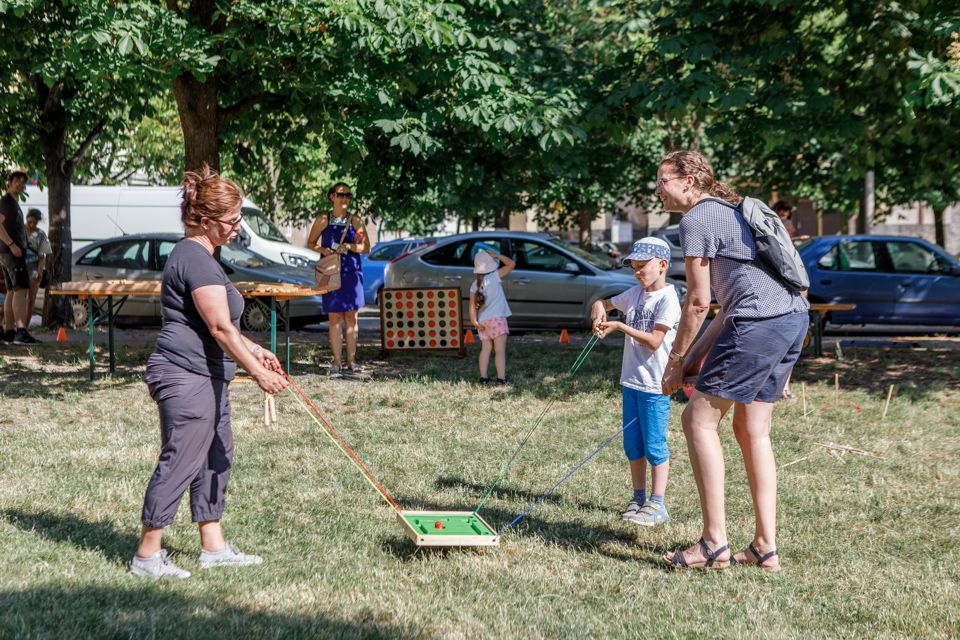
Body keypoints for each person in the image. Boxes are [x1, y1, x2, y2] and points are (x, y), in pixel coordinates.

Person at [130, 166, 289, 580]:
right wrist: (257, 373)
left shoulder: (206, 258)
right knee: (181, 460)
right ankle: (147, 556)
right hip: (185, 376)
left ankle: (213, 548)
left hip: (209, 375)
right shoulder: (194, 259)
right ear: (204, 220)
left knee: (216, 457)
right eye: (231, 221)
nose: (238, 228)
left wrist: (258, 351)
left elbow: (222, 326)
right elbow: (219, 328)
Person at [658, 150, 808, 571]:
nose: (658, 190)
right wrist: (692, 360)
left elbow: (698, 303)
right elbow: (726, 309)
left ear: (688, 181)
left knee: (697, 421)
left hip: (759, 323)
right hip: (792, 318)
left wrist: (676, 360)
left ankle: (713, 544)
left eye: (663, 181)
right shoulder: (730, 210)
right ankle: (764, 547)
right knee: (751, 429)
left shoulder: (697, 219)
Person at [591, 237, 681, 527]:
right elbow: (604, 302)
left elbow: (655, 340)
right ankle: (638, 497)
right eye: (634, 267)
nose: (638, 272)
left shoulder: (668, 299)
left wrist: (618, 325)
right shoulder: (635, 293)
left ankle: (658, 503)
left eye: (643, 266)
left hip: (655, 386)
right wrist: (598, 308)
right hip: (631, 382)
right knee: (633, 445)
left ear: (663, 265)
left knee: (654, 445)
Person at [307, 182, 370, 377]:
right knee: (334, 318)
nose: (345, 198)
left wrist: (350, 247)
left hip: (351, 273)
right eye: (341, 194)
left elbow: (366, 247)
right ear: (331, 196)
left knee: (352, 317)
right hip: (331, 272)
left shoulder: (356, 220)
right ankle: (336, 362)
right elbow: (310, 243)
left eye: (348, 195)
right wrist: (323, 250)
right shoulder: (323, 219)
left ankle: (352, 361)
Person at [0, 171, 39, 344]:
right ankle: (21, 331)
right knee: (21, 290)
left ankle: (9, 332)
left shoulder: (11, 203)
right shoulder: (7, 202)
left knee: (12, 291)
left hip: (7, 253)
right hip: (11, 252)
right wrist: (12, 245)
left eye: (23, 182)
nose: (21, 185)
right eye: (17, 181)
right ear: (9, 183)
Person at [468, 247, 515, 385]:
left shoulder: (474, 285)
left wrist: (474, 321)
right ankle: (501, 380)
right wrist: (496, 254)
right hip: (497, 319)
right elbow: (511, 264)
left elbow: (471, 305)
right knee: (499, 350)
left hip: (483, 321)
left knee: (485, 349)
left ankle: (483, 379)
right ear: (490, 264)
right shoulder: (494, 276)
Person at [25, 208, 51, 318]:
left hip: (33, 268)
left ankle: (24, 328)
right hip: (18, 267)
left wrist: (39, 272)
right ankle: (13, 326)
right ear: (26, 219)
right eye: (29, 222)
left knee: (31, 299)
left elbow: (42, 257)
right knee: (17, 298)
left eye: (34, 223)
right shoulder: (19, 230)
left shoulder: (41, 234)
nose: (31, 225)